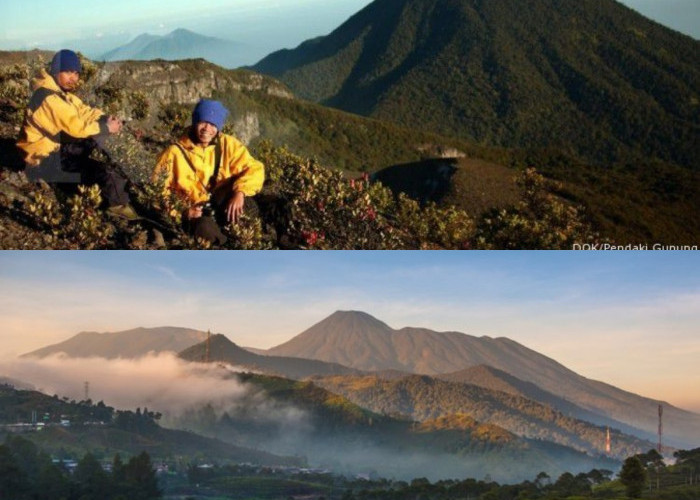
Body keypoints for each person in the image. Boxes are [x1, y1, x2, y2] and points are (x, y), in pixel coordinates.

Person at [16, 49, 136, 219]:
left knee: (102, 149)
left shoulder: (60, 93)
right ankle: (117, 205)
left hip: (57, 151)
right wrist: (105, 128)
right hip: (44, 161)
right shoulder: (47, 97)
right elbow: (74, 128)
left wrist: (104, 118)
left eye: (76, 73)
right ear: (56, 70)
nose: (73, 77)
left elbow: (83, 110)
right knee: (100, 168)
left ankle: (115, 188)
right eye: (68, 72)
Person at [154, 99, 265, 244]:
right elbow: (158, 191)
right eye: (203, 122)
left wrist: (240, 193)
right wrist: (182, 212)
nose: (207, 128)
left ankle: (243, 236)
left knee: (246, 207)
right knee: (204, 229)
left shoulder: (227, 144)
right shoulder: (173, 154)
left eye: (213, 124)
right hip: (194, 212)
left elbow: (255, 168)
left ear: (218, 128)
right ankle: (228, 245)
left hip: (219, 202)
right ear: (195, 122)